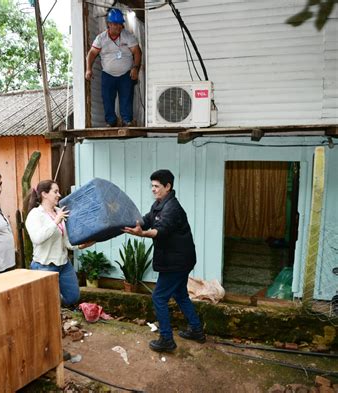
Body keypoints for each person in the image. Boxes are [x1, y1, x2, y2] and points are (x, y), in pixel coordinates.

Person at [123, 169, 205, 352]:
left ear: (168, 186)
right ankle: (196, 330)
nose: (153, 189)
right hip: (179, 259)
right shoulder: (160, 204)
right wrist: (129, 223)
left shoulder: (172, 208)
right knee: (180, 295)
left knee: (159, 297)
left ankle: (167, 339)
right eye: (151, 186)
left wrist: (142, 233)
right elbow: (147, 220)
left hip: (177, 262)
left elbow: (161, 231)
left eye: (156, 186)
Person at [25, 180, 95, 306]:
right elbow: (37, 238)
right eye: (55, 191)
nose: (59, 195)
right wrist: (55, 221)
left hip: (63, 264)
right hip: (44, 266)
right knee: (47, 302)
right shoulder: (35, 215)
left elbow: (66, 241)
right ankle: (55, 316)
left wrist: (80, 245)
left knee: (73, 297)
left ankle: (57, 309)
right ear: (44, 194)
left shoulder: (59, 211)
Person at [85, 8, 142, 127]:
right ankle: (111, 121)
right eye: (115, 24)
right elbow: (91, 54)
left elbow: (137, 52)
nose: (118, 27)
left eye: (120, 24)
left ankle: (127, 120)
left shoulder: (128, 36)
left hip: (126, 74)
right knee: (107, 99)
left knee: (126, 98)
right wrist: (89, 69)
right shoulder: (101, 38)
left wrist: (135, 68)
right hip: (108, 74)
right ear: (109, 24)